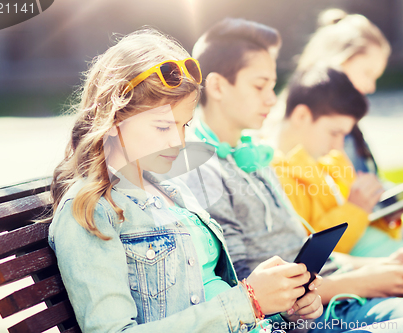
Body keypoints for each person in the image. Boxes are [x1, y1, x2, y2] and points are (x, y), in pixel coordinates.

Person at [185, 17, 403, 333]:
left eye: (272, 85)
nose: (271, 98)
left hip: (345, 288)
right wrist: (366, 281)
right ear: (216, 86)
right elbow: (246, 286)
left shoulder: (255, 156)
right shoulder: (204, 172)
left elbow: (306, 252)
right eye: (259, 86)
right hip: (324, 311)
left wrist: (382, 267)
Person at [47, 28, 324, 333]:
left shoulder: (172, 190)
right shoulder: (91, 211)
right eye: (163, 127)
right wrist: (248, 302)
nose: (179, 142)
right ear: (112, 120)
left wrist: (285, 306)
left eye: (185, 125)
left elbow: (215, 293)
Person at [286, 8, 403, 249]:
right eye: (367, 73)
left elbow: (367, 189)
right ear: (336, 63)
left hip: (371, 232)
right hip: (359, 244)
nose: (371, 86)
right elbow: (346, 204)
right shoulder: (309, 128)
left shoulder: (344, 127)